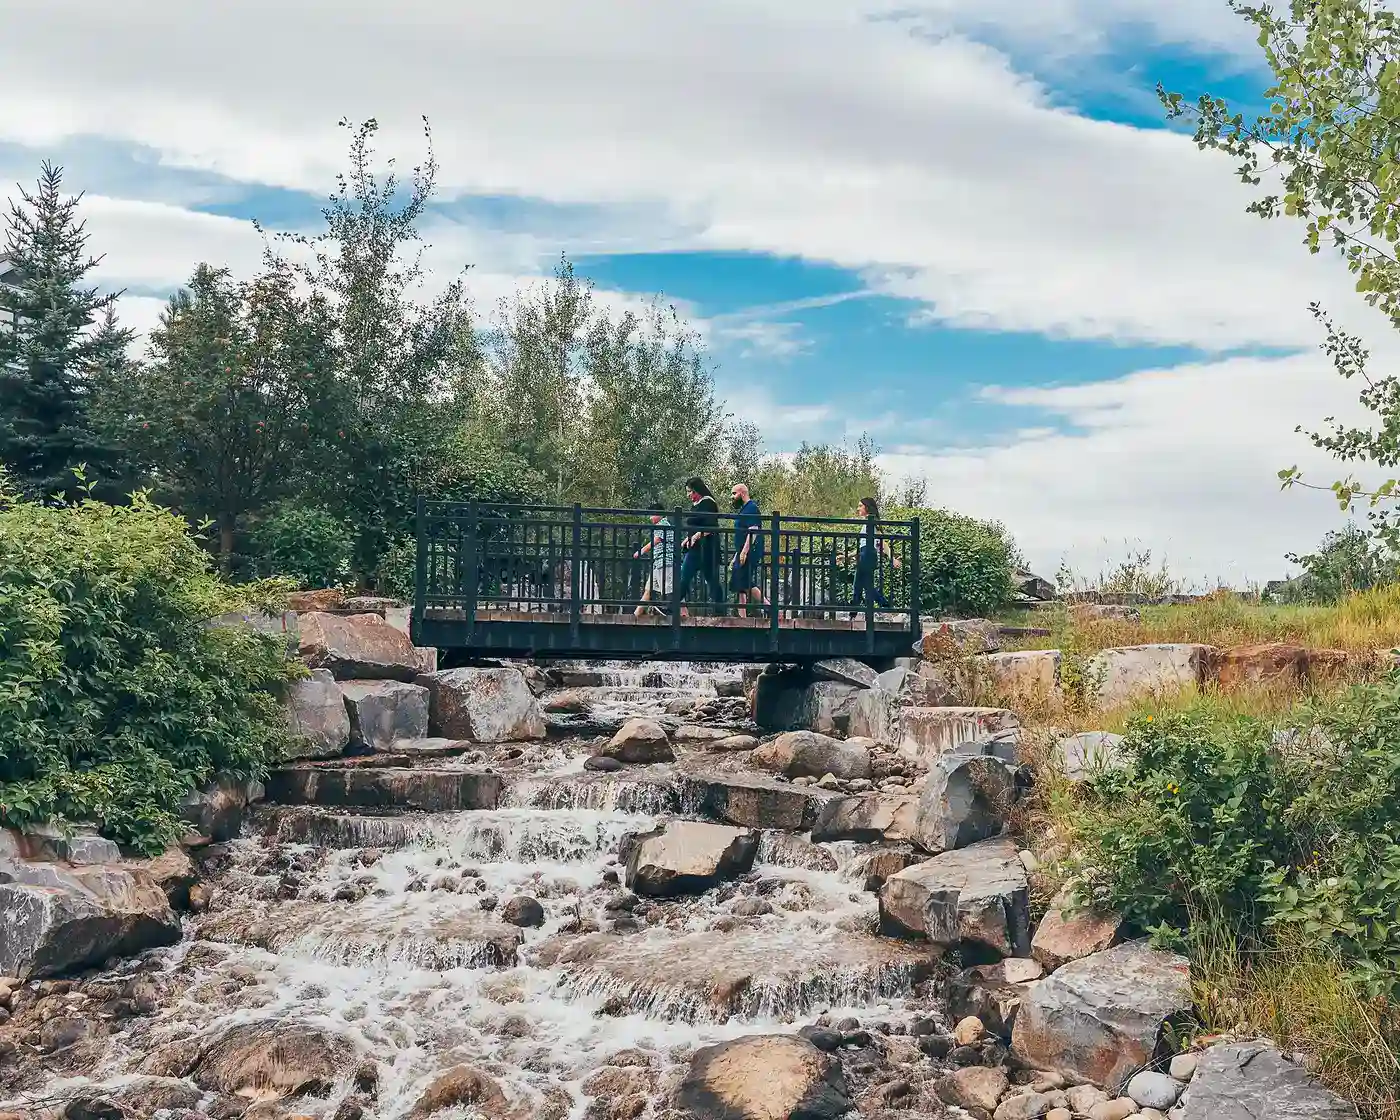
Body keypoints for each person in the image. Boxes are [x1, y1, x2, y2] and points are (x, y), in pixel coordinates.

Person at [672, 477, 724, 613]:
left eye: (690, 491)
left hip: (707, 548)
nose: (688, 495)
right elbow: (695, 526)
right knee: (685, 577)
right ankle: (672, 607)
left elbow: (711, 526)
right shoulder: (697, 504)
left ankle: (720, 611)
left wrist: (695, 537)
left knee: (710, 581)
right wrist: (687, 539)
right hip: (696, 548)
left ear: (697, 490)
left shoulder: (708, 503)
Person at [852, 495, 901, 612]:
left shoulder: (872, 522)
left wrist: (892, 558)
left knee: (860, 586)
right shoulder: (867, 523)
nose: (858, 509)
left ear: (867, 507)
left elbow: (882, 543)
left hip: (867, 556)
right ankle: (886, 608)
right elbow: (862, 546)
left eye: (860, 506)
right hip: (865, 555)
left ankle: (854, 614)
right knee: (864, 587)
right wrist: (845, 556)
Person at [632, 507, 682, 617]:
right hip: (658, 563)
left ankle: (681, 615)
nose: (650, 518)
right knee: (648, 589)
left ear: (659, 514)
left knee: (669, 589)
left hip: (665, 562)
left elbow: (657, 540)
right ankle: (635, 615)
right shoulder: (661, 525)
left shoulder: (662, 524)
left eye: (652, 515)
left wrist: (640, 551)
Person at [729, 483, 767, 615]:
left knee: (743, 582)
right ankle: (743, 617)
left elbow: (753, 531)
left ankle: (770, 608)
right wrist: (736, 555)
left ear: (742, 493)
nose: (732, 497)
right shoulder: (744, 509)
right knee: (738, 583)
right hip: (743, 551)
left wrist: (744, 552)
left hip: (751, 551)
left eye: (734, 493)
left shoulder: (751, 508)